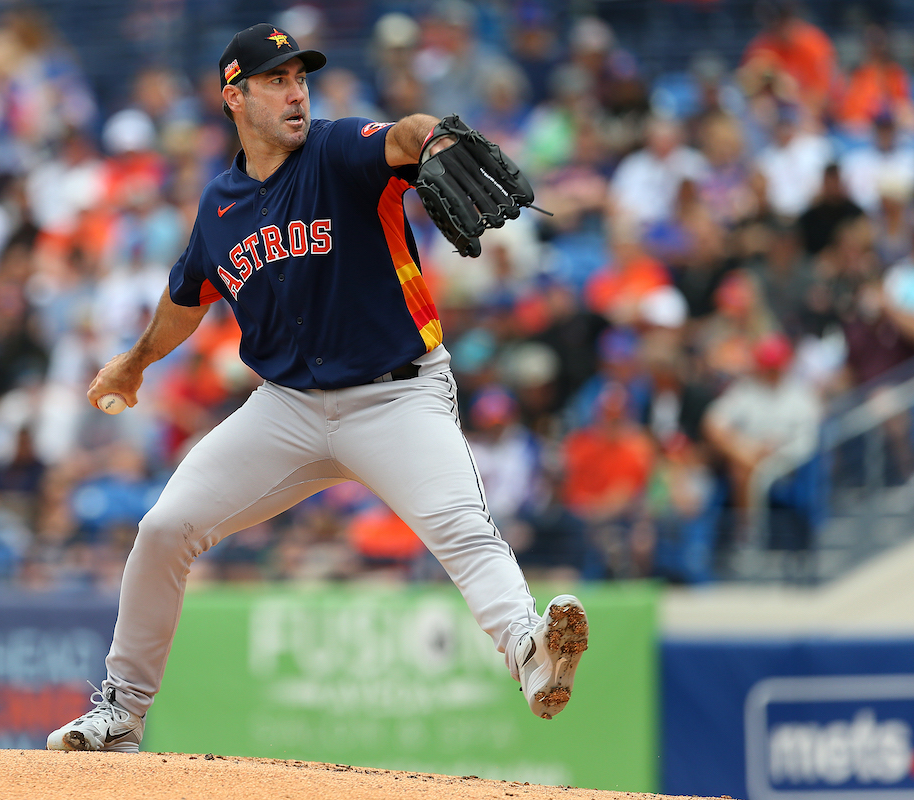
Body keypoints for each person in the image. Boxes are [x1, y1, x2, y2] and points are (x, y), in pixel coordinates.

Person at [46, 22, 589, 753]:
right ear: (233, 97)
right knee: (163, 531)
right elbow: (187, 296)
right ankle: (122, 710)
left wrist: (433, 144)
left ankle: (532, 653)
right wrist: (137, 361)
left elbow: (404, 135)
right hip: (287, 411)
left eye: (299, 78)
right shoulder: (221, 206)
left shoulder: (336, 150)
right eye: (276, 80)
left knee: (462, 528)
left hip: (396, 397)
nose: (295, 92)